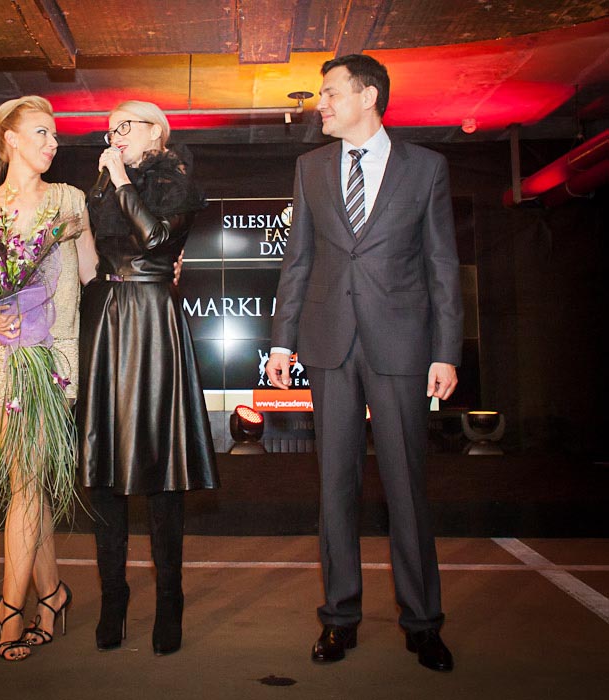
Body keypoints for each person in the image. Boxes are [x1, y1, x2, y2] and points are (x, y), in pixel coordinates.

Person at [266, 55, 463, 672]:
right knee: (335, 487)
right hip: (329, 344)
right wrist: (281, 342)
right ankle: (339, 618)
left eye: (329, 93)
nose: (319, 104)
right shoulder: (311, 168)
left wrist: (446, 350)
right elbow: (298, 260)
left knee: (406, 486)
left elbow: (442, 265)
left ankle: (423, 623)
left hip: (402, 346)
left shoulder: (425, 168)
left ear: (368, 96)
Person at [77, 100, 219, 656]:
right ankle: (113, 599)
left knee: (161, 470)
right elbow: (91, 258)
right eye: (109, 128)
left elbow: (156, 240)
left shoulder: (175, 181)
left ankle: (169, 600)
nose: (113, 134)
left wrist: (118, 179)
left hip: (154, 320)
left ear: (156, 131)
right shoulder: (101, 188)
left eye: (125, 125)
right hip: (105, 320)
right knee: (104, 467)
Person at [0, 95, 98, 661]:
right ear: (11, 140)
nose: (53, 143)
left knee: (27, 481)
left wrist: (148, 266)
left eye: (55, 135)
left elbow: (91, 274)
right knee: (29, 483)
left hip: (52, 354)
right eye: (42, 133)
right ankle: (50, 595)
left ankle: (10, 607)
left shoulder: (70, 199)